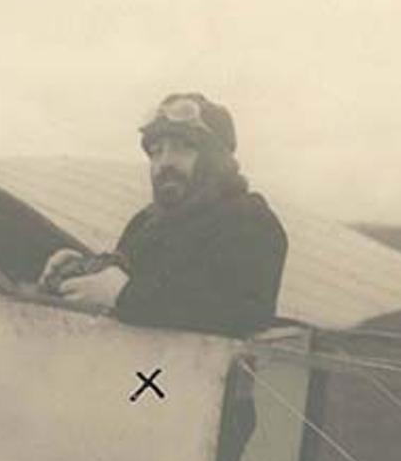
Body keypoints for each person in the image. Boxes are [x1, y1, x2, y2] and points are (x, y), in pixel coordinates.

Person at [42, 92, 288, 337]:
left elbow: (239, 311)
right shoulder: (146, 223)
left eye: (182, 148)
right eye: (156, 152)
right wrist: (81, 272)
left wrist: (124, 295)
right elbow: (127, 279)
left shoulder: (250, 221)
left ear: (216, 159)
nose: (164, 163)